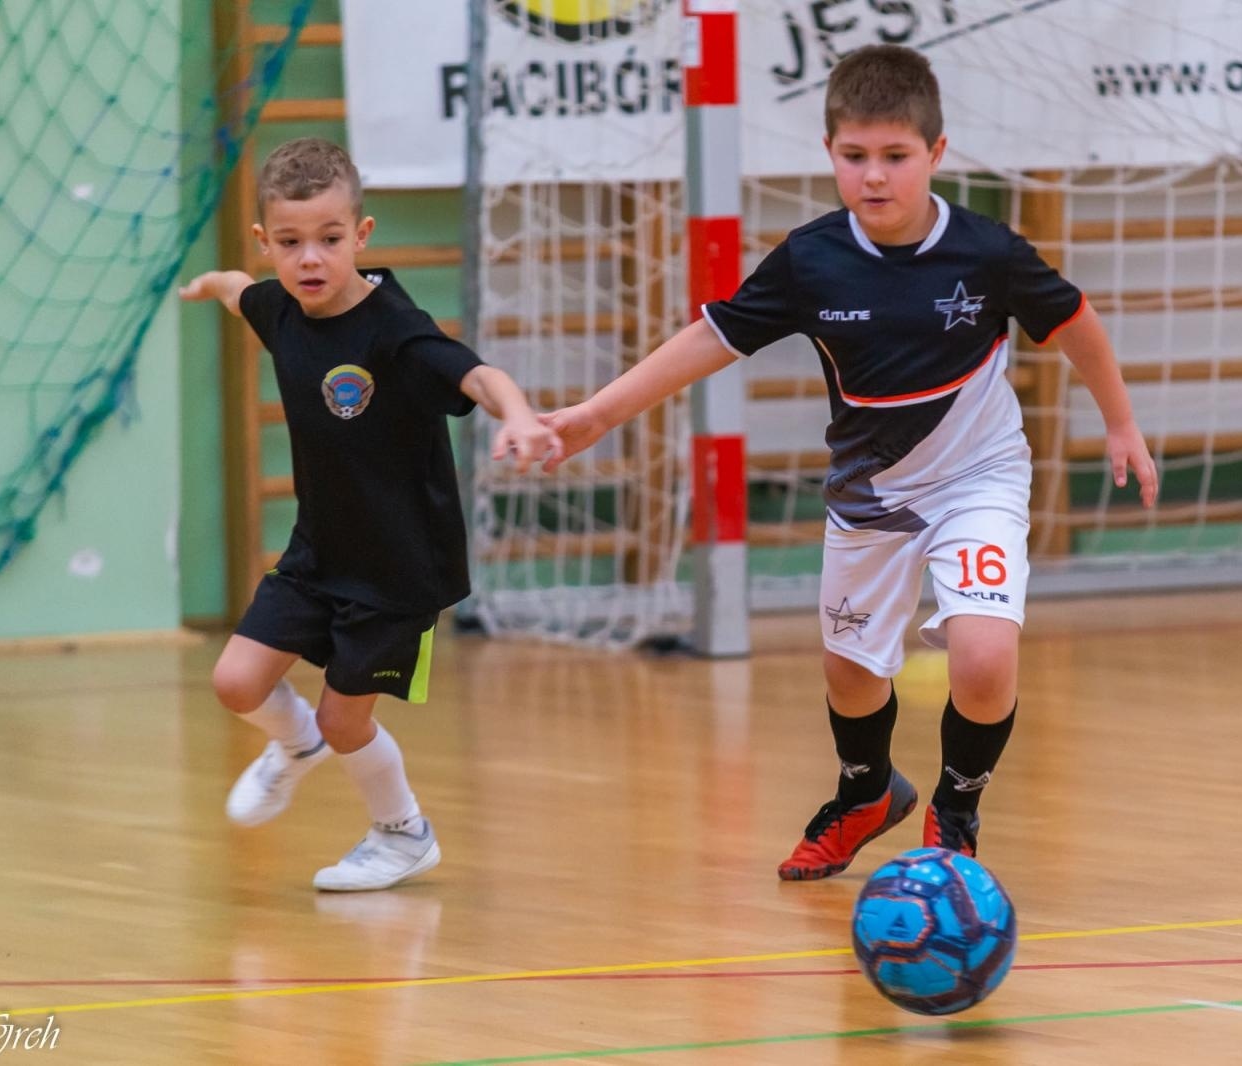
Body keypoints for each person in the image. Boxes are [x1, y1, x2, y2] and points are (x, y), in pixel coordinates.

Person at [542, 45, 1158, 880]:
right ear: (829, 153)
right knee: (850, 671)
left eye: (896, 157)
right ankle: (867, 792)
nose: (875, 177)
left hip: (978, 479)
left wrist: (1119, 423)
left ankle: (956, 808)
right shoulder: (811, 259)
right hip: (870, 496)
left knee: (981, 656)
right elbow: (710, 338)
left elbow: (1077, 323)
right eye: (854, 156)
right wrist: (596, 414)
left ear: (936, 156)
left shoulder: (986, 252)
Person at [180, 137, 560, 891]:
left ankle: (402, 834)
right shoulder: (279, 305)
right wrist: (211, 282)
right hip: (318, 553)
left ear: (362, 235)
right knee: (235, 683)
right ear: (267, 243)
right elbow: (239, 290)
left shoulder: (395, 330)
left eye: (329, 239)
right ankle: (293, 747)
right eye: (289, 244)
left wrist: (517, 415)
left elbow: (478, 375)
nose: (310, 260)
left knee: (345, 720)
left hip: (398, 568)